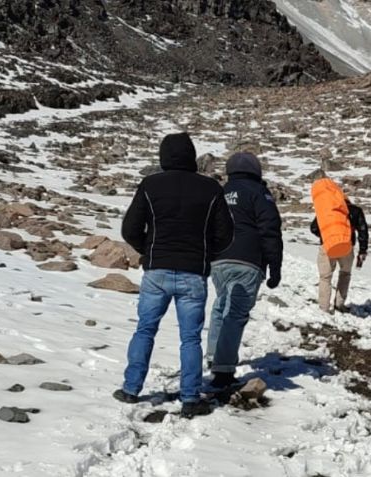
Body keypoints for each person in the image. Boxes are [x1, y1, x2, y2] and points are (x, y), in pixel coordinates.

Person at [114, 132, 234, 419]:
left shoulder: (150, 184)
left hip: (157, 270)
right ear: (191, 156)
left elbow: (130, 229)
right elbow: (226, 235)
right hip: (193, 273)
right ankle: (190, 397)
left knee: (145, 329)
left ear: (164, 156)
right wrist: (205, 255)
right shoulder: (211, 189)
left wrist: (150, 251)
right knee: (190, 338)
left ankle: (131, 389)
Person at [206, 152, 283, 389]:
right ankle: (223, 369)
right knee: (236, 313)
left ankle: (214, 356)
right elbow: (270, 229)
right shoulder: (259, 193)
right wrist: (274, 267)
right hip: (247, 259)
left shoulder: (220, 192)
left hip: (219, 259)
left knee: (221, 305)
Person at [310, 197, 369, 313]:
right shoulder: (355, 210)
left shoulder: (327, 209)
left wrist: (326, 236)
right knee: (345, 274)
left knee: (325, 277)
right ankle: (339, 304)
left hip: (327, 246)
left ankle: (324, 307)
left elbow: (314, 228)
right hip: (347, 246)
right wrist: (362, 250)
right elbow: (363, 231)